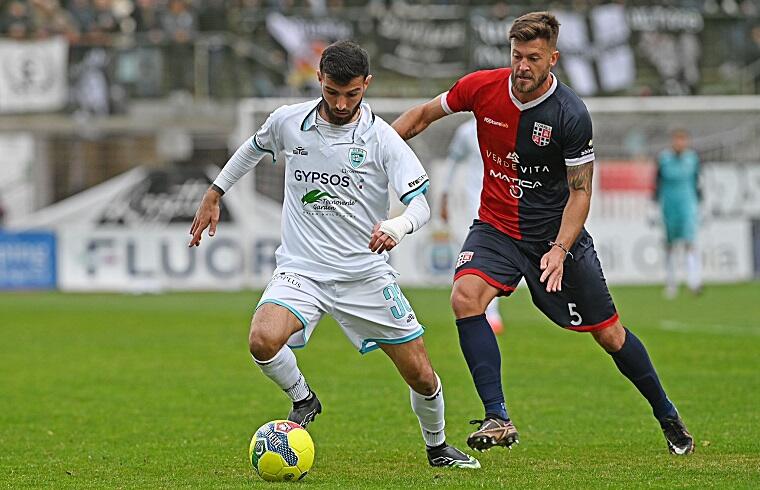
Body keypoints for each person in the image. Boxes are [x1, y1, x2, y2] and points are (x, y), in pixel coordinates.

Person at [391, 12, 694, 456]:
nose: (522, 67)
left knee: (610, 335)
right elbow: (421, 116)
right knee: (464, 297)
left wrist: (559, 248)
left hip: (555, 240)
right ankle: (498, 416)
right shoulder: (480, 87)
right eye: (516, 56)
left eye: (533, 58)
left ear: (553, 58)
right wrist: (375, 152)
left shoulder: (571, 115)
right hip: (495, 228)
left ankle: (667, 414)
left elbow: (581, 193)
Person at [188, 41, 479, 469]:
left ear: (367, 85)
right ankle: (304, 398)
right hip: (301, 271)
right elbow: (252, 148)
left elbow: (420, 203)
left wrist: (396, 226)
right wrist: (215, 192)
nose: (342, 104)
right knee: (262, 340)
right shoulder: (289, 122)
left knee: (420, 373)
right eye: (332, 93)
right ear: (319, 80)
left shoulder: (382, 139)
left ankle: (437, 448)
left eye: (352, 94)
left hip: (364, 276)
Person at [440, 118, 504, 334]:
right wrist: (444, 196)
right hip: (476, 204)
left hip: (505, 203)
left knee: (503, 255)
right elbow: (452, 162)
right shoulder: (467, 132)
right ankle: (489, 313)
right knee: (479, 256)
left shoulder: (507, 124)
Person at [655, 129, 702, 298]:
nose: (680, 144)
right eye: (677, 140)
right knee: (669, 244)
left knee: (690, 242)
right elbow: (657, 182)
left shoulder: (693, 159)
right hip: (669, 205)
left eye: (683, 140)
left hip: (688, 204)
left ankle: (694, 282)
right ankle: (671, 283)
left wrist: (700, 203)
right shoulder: (664, 159)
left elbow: (697, 182)